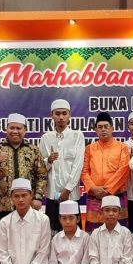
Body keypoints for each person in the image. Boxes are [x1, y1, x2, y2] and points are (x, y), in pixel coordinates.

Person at [0, 113, 47, 220]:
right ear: (6, 129)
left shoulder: (33, 150)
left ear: (25, 130)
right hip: (3, 205)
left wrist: (38, 197)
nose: (15, 131)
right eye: (12, 128)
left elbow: (42, 175)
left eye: (18, 128)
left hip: (28, 204)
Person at [39, 99, 85, 233]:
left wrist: (68, 189)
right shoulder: (46, 138)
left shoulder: (77, 136)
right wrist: (49, 160)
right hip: (52, 194)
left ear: (69, 115)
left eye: (64, 113)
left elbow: (78, 165)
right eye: (57, 113)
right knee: (53, 231)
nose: (61, 117)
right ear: (52, 115)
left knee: (74, 232)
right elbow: (41, 167)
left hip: (71, 194)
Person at [81, 112, 130, 232]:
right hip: (95, 195)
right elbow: (84, 171)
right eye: (100, 127)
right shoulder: (89, 148)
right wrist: (93, 188)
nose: (103, 129)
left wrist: (107, 190)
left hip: (116, 193)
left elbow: (124, 170)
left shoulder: (122, 147)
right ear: (95, 130)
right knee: (94, 232)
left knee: (119, 231)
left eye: (106, 126)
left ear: (112, 128)